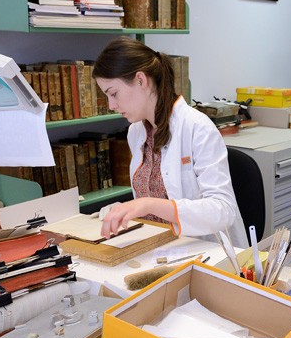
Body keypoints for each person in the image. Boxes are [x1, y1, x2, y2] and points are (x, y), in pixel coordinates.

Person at [92, 37, 246, 247]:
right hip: (161, 247)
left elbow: (223, 210)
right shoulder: (136, 132)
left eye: (113, 93)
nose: (111, 105)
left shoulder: (197, 127)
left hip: (208, 252)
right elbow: (150, 203)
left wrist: (148, 205)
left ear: (140, 80)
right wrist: (125, 209)